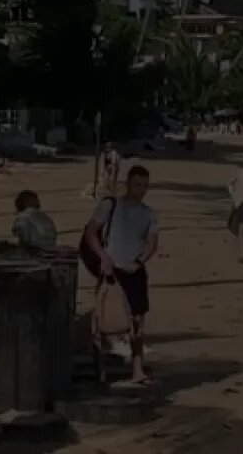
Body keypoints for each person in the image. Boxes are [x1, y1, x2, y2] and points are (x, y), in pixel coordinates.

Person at [82, 165, 158, 386]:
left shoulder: (149, 213)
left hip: (134, 271)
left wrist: (139, 262)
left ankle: (137, 370)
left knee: (137, 322)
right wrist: (103, 258)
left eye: (145, 185)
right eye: (138, 184)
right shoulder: (110, 205)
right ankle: (100, 371)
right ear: (128, 184)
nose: (141, 190)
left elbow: (152, 244)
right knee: (103, 321)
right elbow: (90, 232)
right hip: (111, 270)